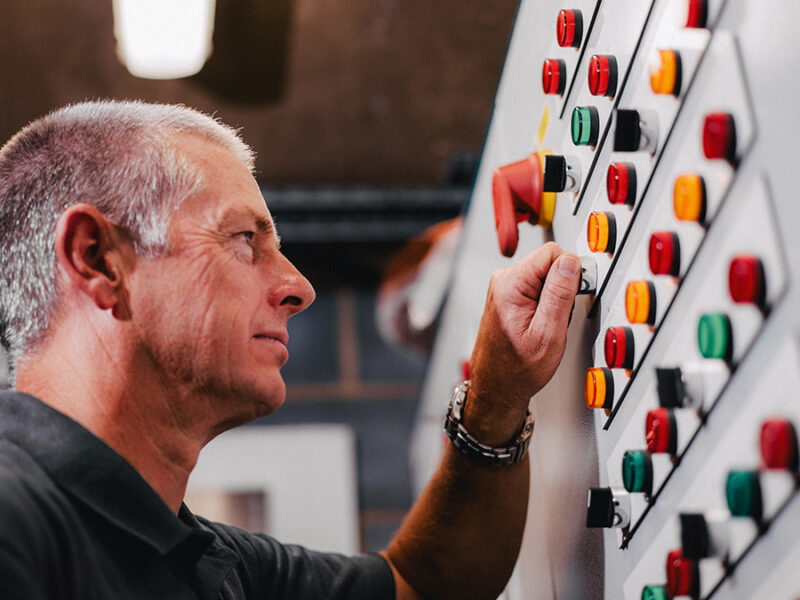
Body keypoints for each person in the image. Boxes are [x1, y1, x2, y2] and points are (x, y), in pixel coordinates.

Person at [0, 100, 581, 599]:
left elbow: (426, 585)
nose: (298, 288)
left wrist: (495, 396)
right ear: (97, 258)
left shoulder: (207, 563)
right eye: (244, 240)